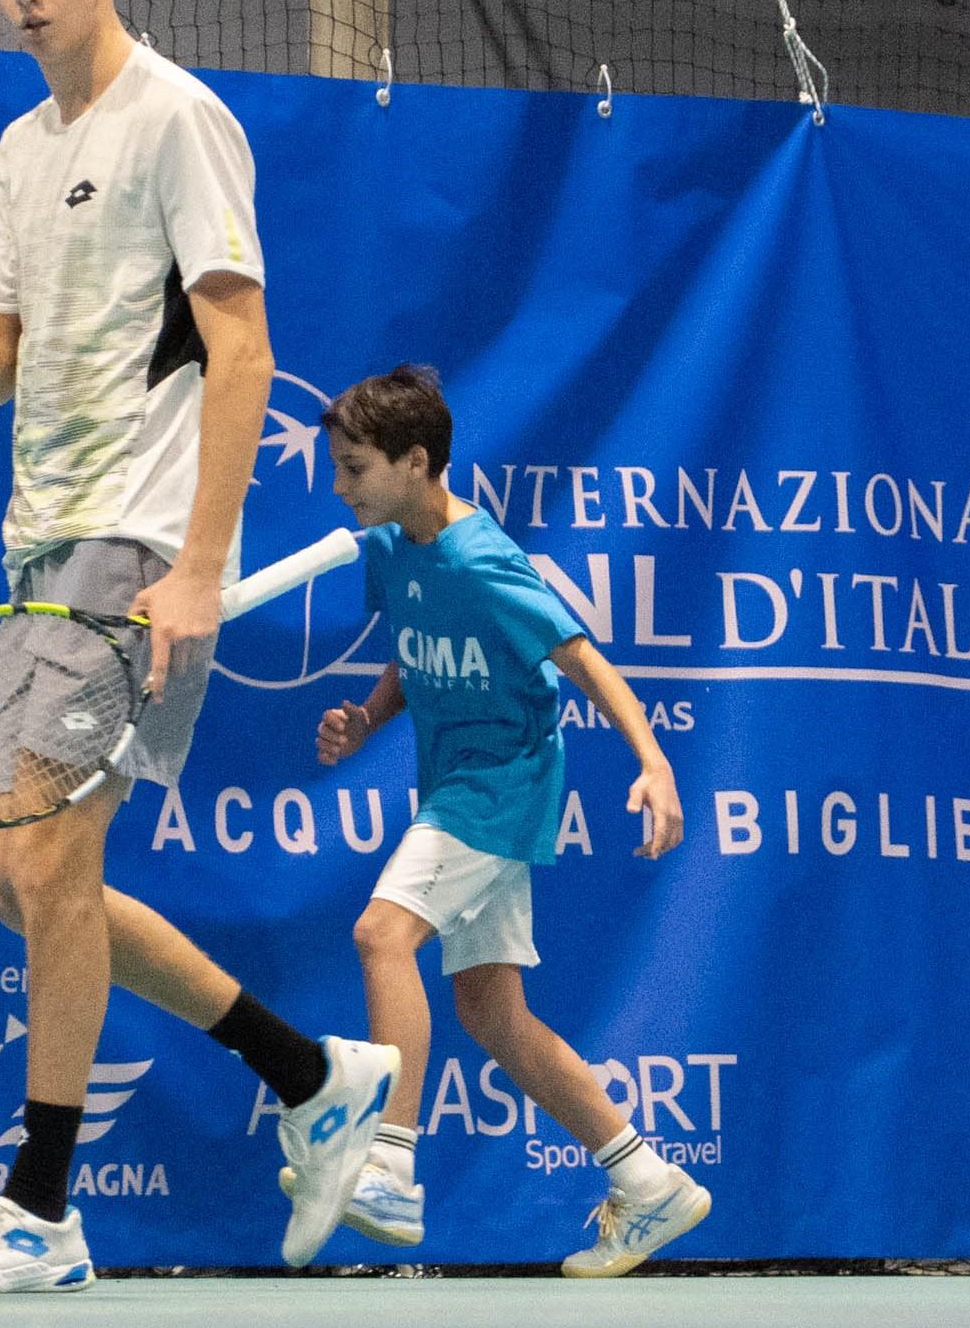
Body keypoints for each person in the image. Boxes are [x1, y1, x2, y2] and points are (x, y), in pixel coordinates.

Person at [0, 0, 394, 1293]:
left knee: (48, 860)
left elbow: (246, 348)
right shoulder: (19, 152)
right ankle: (309, 1073)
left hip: (139, 538)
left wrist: (198, 562)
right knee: (19, 887)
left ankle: (39, 1212)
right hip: (42, 542)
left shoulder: (181, 121)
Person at [303, 363, 711, 1278]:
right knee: (491, 1011)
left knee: (381, 934)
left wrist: (653, 760)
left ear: (417, 462)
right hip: (454, 778)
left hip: (500, 785)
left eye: (356, 467)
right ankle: (648, 1184)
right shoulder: (394, 547)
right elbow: (416, 647)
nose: (339, 486)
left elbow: (584, 659)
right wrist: (368, 717)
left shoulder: (485, 560)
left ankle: (393, 1169)